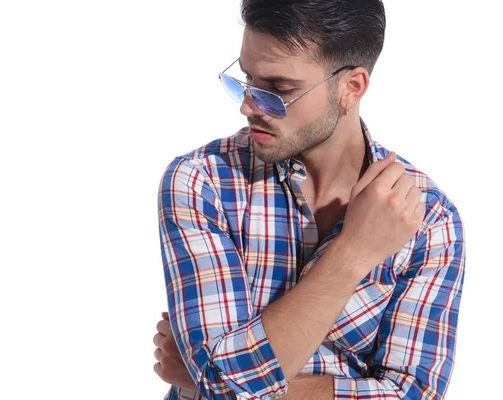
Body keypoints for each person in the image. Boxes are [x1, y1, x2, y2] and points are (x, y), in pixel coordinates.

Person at [152, 0, 466, 398]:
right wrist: (353, 252)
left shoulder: (427, 217)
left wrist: (218, 378)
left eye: (279, 89)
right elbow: (221, 384)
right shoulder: (203, 181)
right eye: (246, 80)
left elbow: (412, 392)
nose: (249, 106)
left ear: (351, 88)